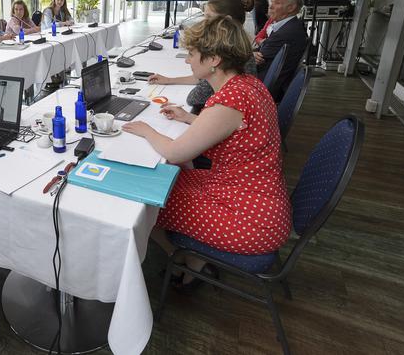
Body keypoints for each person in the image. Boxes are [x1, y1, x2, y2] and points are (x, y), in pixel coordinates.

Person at [123, 17, 291, 288]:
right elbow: (231, 130)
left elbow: (175, 152)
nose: (188, 61)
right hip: (255, 198)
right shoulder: (247, 85)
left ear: (213, 60)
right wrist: (190, 119)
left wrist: (146, 130)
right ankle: (192, 259)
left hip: (250, 219)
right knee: (171, 178)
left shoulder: (229, 101)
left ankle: (181, 258)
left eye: (191, 54)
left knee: (144, 202)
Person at [147, 0, 256, 111]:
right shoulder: (240, 49)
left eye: (209, 18)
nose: (205, 22)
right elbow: (202, 78)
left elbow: (194, 97)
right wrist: (169, 80)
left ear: (226, 21)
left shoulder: (226, 57)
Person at [254, 0, 307, 101]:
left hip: (262, 89)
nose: (271, 6)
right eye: (272, 2)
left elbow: (258, 59)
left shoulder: (286, 32)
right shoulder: (290, 26)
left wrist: (250, 56)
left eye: (277, 3)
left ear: (291, 8)